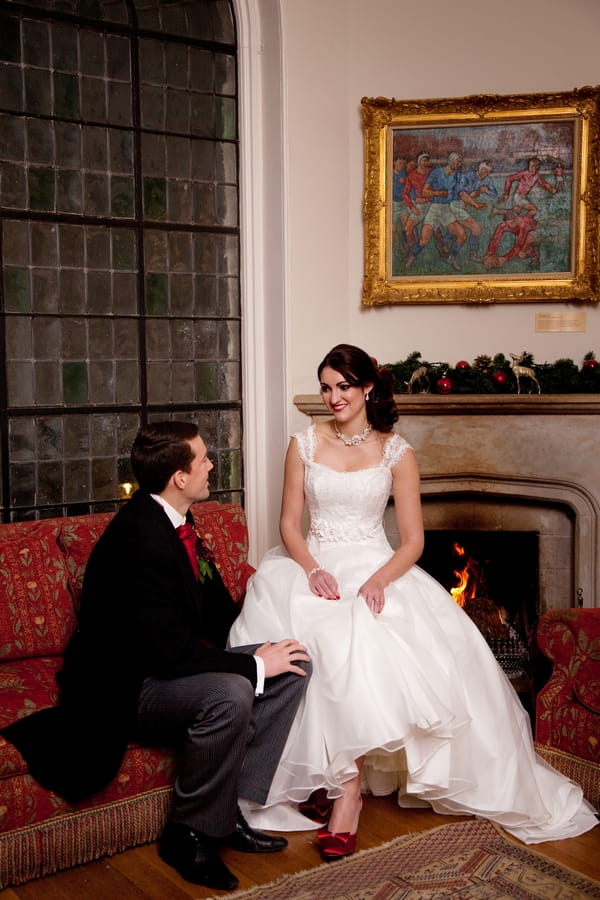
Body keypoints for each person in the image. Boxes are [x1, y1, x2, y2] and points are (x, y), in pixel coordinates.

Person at [229, 344, 598, 860]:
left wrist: (379, 581)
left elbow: (413, 542)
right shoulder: (303, 445)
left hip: (379, 565)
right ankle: (342, 787)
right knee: (317, 641)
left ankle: (345, 796)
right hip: (313, 566)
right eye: (326, 387)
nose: (333, 397)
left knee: (367, 635)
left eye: (343, 386)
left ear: (367, 389)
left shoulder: (397, 452)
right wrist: (312, 570)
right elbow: (290, 525)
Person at [1, 421, 311, 892]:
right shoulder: (139, 539)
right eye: (204, 459)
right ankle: (189, 835)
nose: (212, 465)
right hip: (125, 687)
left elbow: (217, 612)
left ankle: (230, 812)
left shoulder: (179, 520)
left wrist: (279, 625)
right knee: (231, 690)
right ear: (179, 478)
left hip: (163, 667)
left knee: (294, 663)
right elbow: (168, 654)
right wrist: (250, 665)